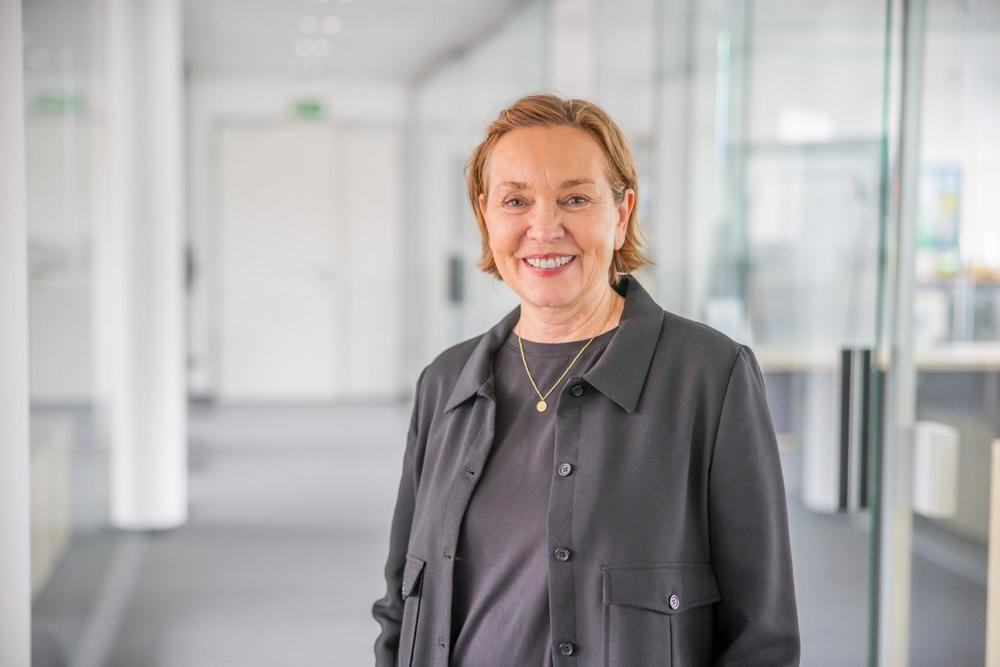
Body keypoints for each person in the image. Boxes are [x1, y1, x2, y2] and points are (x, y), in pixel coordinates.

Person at [372, 93, 799, 666]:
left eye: (575, 198)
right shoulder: (446, 382)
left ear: (621, 214)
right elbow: (400, 606)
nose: (544, 227)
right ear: (486, 216)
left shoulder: (709, 376)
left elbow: (761, 637)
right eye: (516, 201)